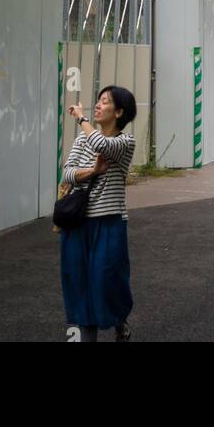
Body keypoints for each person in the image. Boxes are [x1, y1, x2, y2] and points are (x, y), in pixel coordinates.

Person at [60, 87, 137, 342]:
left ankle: (118, 320)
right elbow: (67, 173)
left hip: (109, 222)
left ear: (119, 112)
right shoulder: (82, 139)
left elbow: (102, 144)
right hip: (77, 222)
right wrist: (92, 172)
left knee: (108, 279)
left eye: (105, 102)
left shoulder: (125, 142)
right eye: (99, 100)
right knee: (79, 281)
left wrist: (81, 119)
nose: (97, 105)